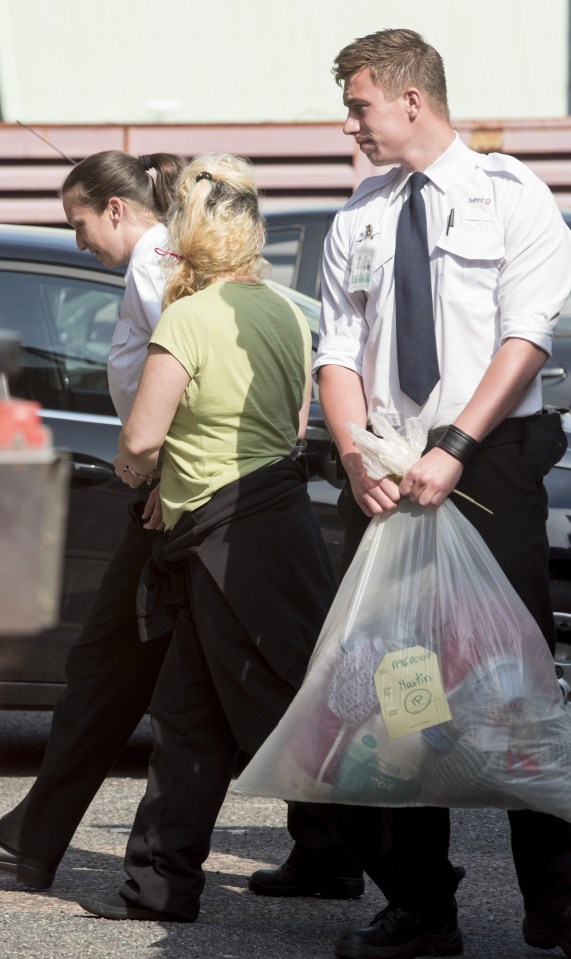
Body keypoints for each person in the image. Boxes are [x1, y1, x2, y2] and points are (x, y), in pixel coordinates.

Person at [253, 27, 571, 959]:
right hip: (385, 473)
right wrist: (354, 453)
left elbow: (525, 337)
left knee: (511, 689)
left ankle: (557, 904)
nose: (349, 123)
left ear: (409, 101)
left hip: (490, 464)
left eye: (357, 105)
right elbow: (337, 348)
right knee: (403, 702)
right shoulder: (359, 214)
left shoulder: (512, 197)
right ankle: (423, 908)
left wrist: (458, 446)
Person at [0, 150, 363, 901]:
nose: (79, 245)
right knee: (202, 697)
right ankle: (159, 868)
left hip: (186, 502)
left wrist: (152, 473)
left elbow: (171, 402)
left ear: (117, 210)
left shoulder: (164, 282)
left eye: (78, 226)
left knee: (161, 684)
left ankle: (395, 871)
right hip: (221, 503)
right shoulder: (261, 299)